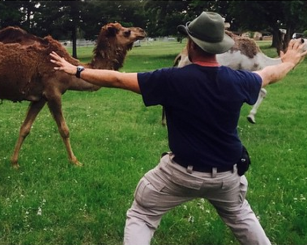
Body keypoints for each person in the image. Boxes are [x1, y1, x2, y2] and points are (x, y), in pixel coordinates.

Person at [50, 11, 307, 245]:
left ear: (191, 44)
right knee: (241, 216)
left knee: (142, 215)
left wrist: (77, 70)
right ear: (219, 48)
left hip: (182, 174)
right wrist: (291, 61)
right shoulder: (240, 81)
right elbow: (271, 75)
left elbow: (117, 79)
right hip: (228, 176)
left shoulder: (171, 80)